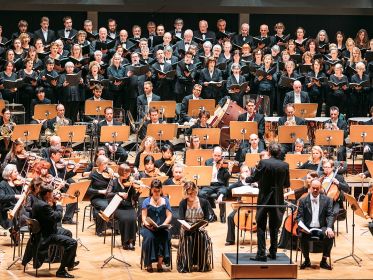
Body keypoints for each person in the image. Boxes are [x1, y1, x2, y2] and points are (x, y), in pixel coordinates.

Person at [245, 142, 290, 261]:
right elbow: (287, 184)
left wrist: (247, 178)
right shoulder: (285, 165)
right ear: (279, 152)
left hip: (264, 198)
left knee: (261, 225)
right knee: (274, 226)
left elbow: (254, 178)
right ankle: (273, 252)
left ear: (269, 151)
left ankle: (261, 254)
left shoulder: (263, 162)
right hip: (278, 199)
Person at [31, 183, 78, 278]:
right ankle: (61, 271)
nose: (53, 195)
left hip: (45, 230)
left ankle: (69, 263)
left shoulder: (39, 200)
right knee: (73, 243)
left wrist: (55, 202)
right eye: (52, 193)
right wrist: (60, 205)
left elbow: (49, 215)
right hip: (47, 235)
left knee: (68, 233)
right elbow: (57, 218)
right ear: (48, 193)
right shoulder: (43, 205)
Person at [297, 179, 334, 270]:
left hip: (321, 227)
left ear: (320, 188)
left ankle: (324, 261)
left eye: (317, 188)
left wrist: (329, 227)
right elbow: (299, 216)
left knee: (329, 236)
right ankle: (307, 260)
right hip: (307, 228)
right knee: (302, 235)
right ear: (309, 188)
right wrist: (302, 226)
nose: (315, 190)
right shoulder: (302, 200)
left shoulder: (327, 200)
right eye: (313, 188)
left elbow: (330, 215)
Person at [177, 181, 212, 272]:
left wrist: (202, 225)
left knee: (201, 236)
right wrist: (186, 226)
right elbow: (181, 219)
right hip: (187, 228)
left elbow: (207, 219)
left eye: (192, 192)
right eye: (188, 193)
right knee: (187, 237)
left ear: (196, 191)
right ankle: (187, 265)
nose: (191, 195)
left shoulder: (204, 202)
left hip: (199, 227)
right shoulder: (183, 203)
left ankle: (202, 264)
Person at [141, 179, 172, 272]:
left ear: (161, 190)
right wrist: (147, 224)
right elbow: (144, 217)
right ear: (151, 190)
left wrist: (164, 224)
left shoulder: (165, 201)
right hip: (149, 228)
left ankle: (160, 264)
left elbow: (169, 215)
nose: (156, 193)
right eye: (154, 191)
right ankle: (149, 264)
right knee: (150, 238)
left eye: (158, 191)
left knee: (165, 236)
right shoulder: (146, 201)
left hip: (161, 227)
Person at [107, 163, 138, 250]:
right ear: (120, 173)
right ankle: (125, 241)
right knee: (124, 219)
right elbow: (107, 194)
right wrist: (119, 193)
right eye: (125, 173)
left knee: (132, 218)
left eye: (128, 173)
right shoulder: (113, 182)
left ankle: (131, 241)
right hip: (118, 207)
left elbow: (135, 199)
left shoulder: (130, 183)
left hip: (129, 207)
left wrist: (138, 192)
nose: (127, 175)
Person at [200, 146, 232, 223]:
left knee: (223, 190)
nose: (217, 157)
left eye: (219, 156)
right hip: (209, 185)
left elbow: (226, 179)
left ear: (221, 155)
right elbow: (205, 174)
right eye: (215, 155)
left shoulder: (224, 164)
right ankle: (211, 213)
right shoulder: (208, 162)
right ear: (212, 154)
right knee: (201, 193)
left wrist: (229, 170)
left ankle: (222, 215)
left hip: (220, 185)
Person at [87, 155, 111, 236]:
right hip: (96, 197)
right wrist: (100, 191)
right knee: (105, 206)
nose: (106, 166)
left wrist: (114, 177)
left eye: (107, 164)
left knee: (117, 204)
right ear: (99, 164)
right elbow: (88, 190)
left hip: (107, 196)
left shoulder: (108, 173)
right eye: (104, 164)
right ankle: (100, 230)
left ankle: (114, 227)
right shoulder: (93, 175)